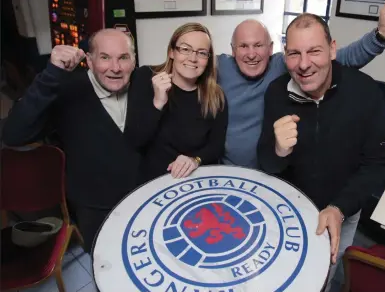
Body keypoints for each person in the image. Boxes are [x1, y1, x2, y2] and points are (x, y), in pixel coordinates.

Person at [257, 13, 385, 291]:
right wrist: (278, 150)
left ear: (332, 49)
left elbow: (378, 163)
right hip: (290, 209)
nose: (304, 64)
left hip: (342, 210)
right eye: (294, 53)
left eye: (314, 51)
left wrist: (339, 208)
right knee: (281, 277)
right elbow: (266, 162)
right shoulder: (276, 93)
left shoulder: (364, 91)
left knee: (322, 279)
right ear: (285, 55)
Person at [1, 29, 152, 254]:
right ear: (89, 61)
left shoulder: (145, 82)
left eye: (123, 57)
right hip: (96, 210)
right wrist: (51, 75)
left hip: (144, 199)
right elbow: (14, 134)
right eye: (104, 57)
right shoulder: (66, 90)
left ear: (133, 60)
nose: (115, 67)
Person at [218, 0, 385, 168]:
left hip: (271, 173)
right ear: (233, 50)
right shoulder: (219, 67)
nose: (251, 54)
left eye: (258, 45)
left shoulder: (286, 64)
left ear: (271, 48)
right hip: (228, 171)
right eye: (243, 46)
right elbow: (191, 62)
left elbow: (343, 58)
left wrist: (382, 35)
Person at [131, 23, 228, 183]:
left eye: (202, 53)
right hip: (152, 184)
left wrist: (195, 160)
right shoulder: (145, 77)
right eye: (185, 49)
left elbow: (216, 146)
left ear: (208, 59)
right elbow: (135, 141)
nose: (193, 58)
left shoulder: (216, 95)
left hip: (196, 182)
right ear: (171, 52)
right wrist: (158, 103)